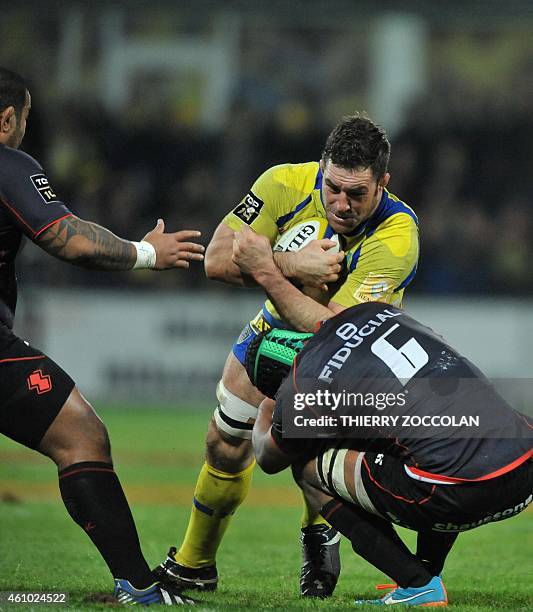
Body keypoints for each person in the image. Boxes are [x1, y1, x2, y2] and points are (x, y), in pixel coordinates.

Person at [156, 114, 419, 597]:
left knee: (315, 459)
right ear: (321, 166)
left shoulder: (398, 235)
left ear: (384, 182)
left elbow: (333, 328)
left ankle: (319, 532)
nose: (341, 204)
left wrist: (267, 268)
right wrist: (292, 263)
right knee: (224, 440)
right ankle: (194, 565)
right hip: (275, 327)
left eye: (356, 194)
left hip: (349, 352)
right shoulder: (281, 183)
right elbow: (215, 260)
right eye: (332, 187)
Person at [0, 67, 205, 605]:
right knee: (81, 434)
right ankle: (138, 586)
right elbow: (67, 239)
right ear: (6, 119)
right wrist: (146, 253)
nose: (24, 128)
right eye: (24, 118)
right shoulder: (7, 163)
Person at [244, 304, 533, 607]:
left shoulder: (301, 391)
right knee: (429, 444)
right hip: (523, 466)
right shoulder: (372, 314)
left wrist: (267, 409)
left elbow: (268, 459)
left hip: (456, 491)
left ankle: (416, 583)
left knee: (308, 472)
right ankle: (427, 569)